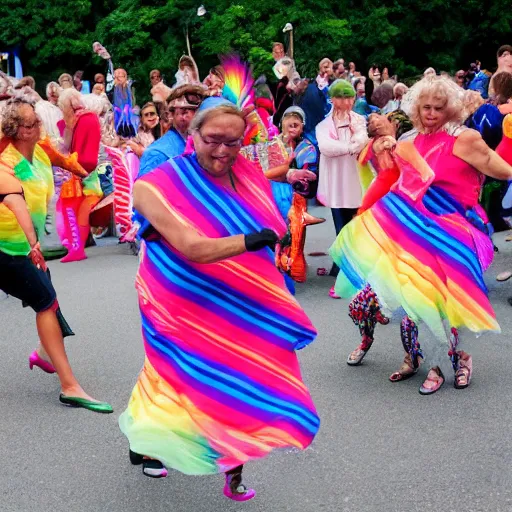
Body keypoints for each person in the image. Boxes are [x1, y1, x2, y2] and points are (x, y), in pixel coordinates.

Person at [119, 102, 319, 499]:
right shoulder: (153, 184)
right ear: (192, 136)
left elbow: (267, 210)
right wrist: (249, 240)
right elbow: (191, 246)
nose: (223, 151)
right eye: (213, 141)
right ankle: (151, 439)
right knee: (180, 372)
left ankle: (231, 463)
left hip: (233, 292)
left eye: (234, 142)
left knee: (240, 369)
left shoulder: (243, 173)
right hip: (177, 299)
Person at [330, 75, 512, 394]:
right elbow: (399, 184)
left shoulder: (464, 138)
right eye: (425, 107)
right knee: (414, 297)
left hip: (456, 228)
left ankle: (455, 361)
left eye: (438, 108)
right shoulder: (409, 141)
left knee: (444, 299)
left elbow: (498, 166)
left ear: (450, 109)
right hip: (415, 228)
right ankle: (425, 359)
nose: (430, 113)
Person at [0, 99, 112, 413]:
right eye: (32, 123)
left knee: (47, 297)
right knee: (46, 302)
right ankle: (69, 386)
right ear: (18, 131)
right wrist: (33, 244)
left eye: (38, 121)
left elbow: (65, 161)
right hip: (6, 249)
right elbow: (14, 202)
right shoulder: (4, 161)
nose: (39, 125)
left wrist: (87, 174)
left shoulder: (39, 151)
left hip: (26, 247)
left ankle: (43, 353)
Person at [316, 79, 368, 288]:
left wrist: (353, 142)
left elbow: (363, 140)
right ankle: (342, 263)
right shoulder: (324, 124)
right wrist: (350, 146)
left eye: (349, 97)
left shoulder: (358, 121)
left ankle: (352, 265)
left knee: (355, 222)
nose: (346, 101)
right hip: (336, 179)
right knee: (340, 223)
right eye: (341, 97)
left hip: (355, 177)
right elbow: (326, 147)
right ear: (332, 99)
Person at [57, 88, 102, 262]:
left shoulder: (85, 119)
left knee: (73, 211)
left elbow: (82, 154)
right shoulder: (85, 119)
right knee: (77, 212)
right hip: (86, 174)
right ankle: (77, 248)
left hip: (83, 174)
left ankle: (77, 249)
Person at [137, 84, 205, 178]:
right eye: (185, 111)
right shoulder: (158, 153)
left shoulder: (206, 147)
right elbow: (143, 191)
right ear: (173, 114)